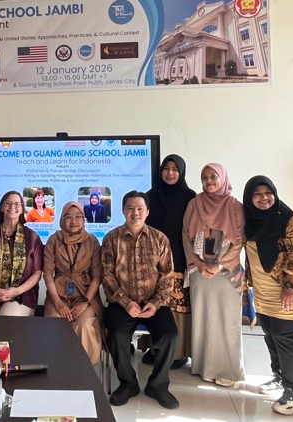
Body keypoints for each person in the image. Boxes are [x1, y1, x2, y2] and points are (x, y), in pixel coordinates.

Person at [243, 176, 293, 415]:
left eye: (268, 193)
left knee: (285, 338)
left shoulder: (287, 218)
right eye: (257, 194)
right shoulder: (250, 219)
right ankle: (280, 377)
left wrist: (290, 286)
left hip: (286, 287)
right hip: (263, 289)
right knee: (271, 335)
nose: (264, 198)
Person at [102, 191, 179, 409]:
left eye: (139, 208)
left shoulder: (159, 238)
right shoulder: (111, 239)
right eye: (130, 208)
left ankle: (158, 385)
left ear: (147, 212)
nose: (135, 213)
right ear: (123, 210)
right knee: (116, 335)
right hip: (121, 302)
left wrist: (155, 303)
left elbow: (167, 276)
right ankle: (128, 383)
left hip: (154, 302)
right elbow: (107, 277)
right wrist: (126, 302)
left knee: (170, 335)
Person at [182, 163, 245, 387]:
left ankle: (227, 370)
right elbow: (185, 235)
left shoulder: (234, 205)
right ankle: (202, 367)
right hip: (199, 270)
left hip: (226, 272)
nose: (208, 181)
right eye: (204, 177)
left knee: (227, 321)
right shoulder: (194, 203)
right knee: (202, 319)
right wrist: (197, 263)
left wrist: (219, 266)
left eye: (213, 177)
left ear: (223, 179)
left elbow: (239, 240)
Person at [144, 154, 196, 369]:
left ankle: (177, 353)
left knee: (176, 307)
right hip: (151, 260)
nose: (170, 172)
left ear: (181, 172)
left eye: (175, 169)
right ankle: (154, 349)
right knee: (155, 305)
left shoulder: (189, 196)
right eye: (166, 168)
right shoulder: (150, 195)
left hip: (178, 257)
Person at [43, 201, 104, 365]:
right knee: (56, 322)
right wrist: (58, 303)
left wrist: (85, 302)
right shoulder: (53, 240)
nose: (73, 221)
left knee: (83, 325)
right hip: (58, 296)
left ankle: (82, 369)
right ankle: (56, 367)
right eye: (68, 217)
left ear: (84, 220)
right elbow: (48, 274)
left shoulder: (92, 241)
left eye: (78, 217)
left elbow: (97, 277)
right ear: (62, 220)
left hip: (86, 297)